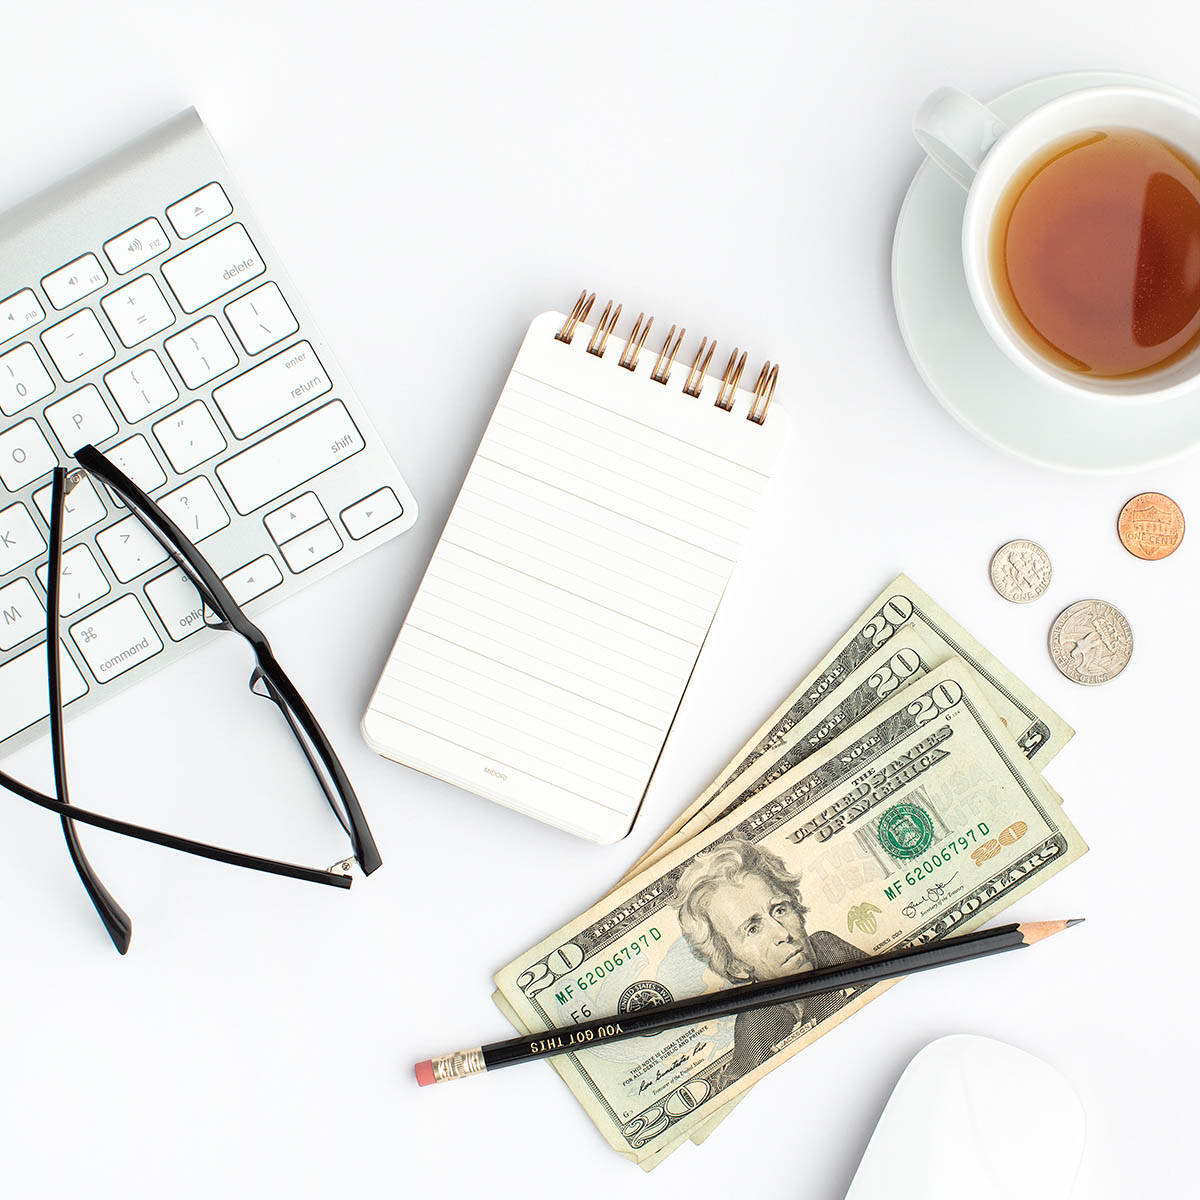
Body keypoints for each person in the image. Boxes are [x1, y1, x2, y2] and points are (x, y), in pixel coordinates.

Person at [671, 838, 865, 1084]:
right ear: (735, 966)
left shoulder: (830, 950)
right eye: (753, 929)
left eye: (780, 910)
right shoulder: (754, 1025)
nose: (783, 934)